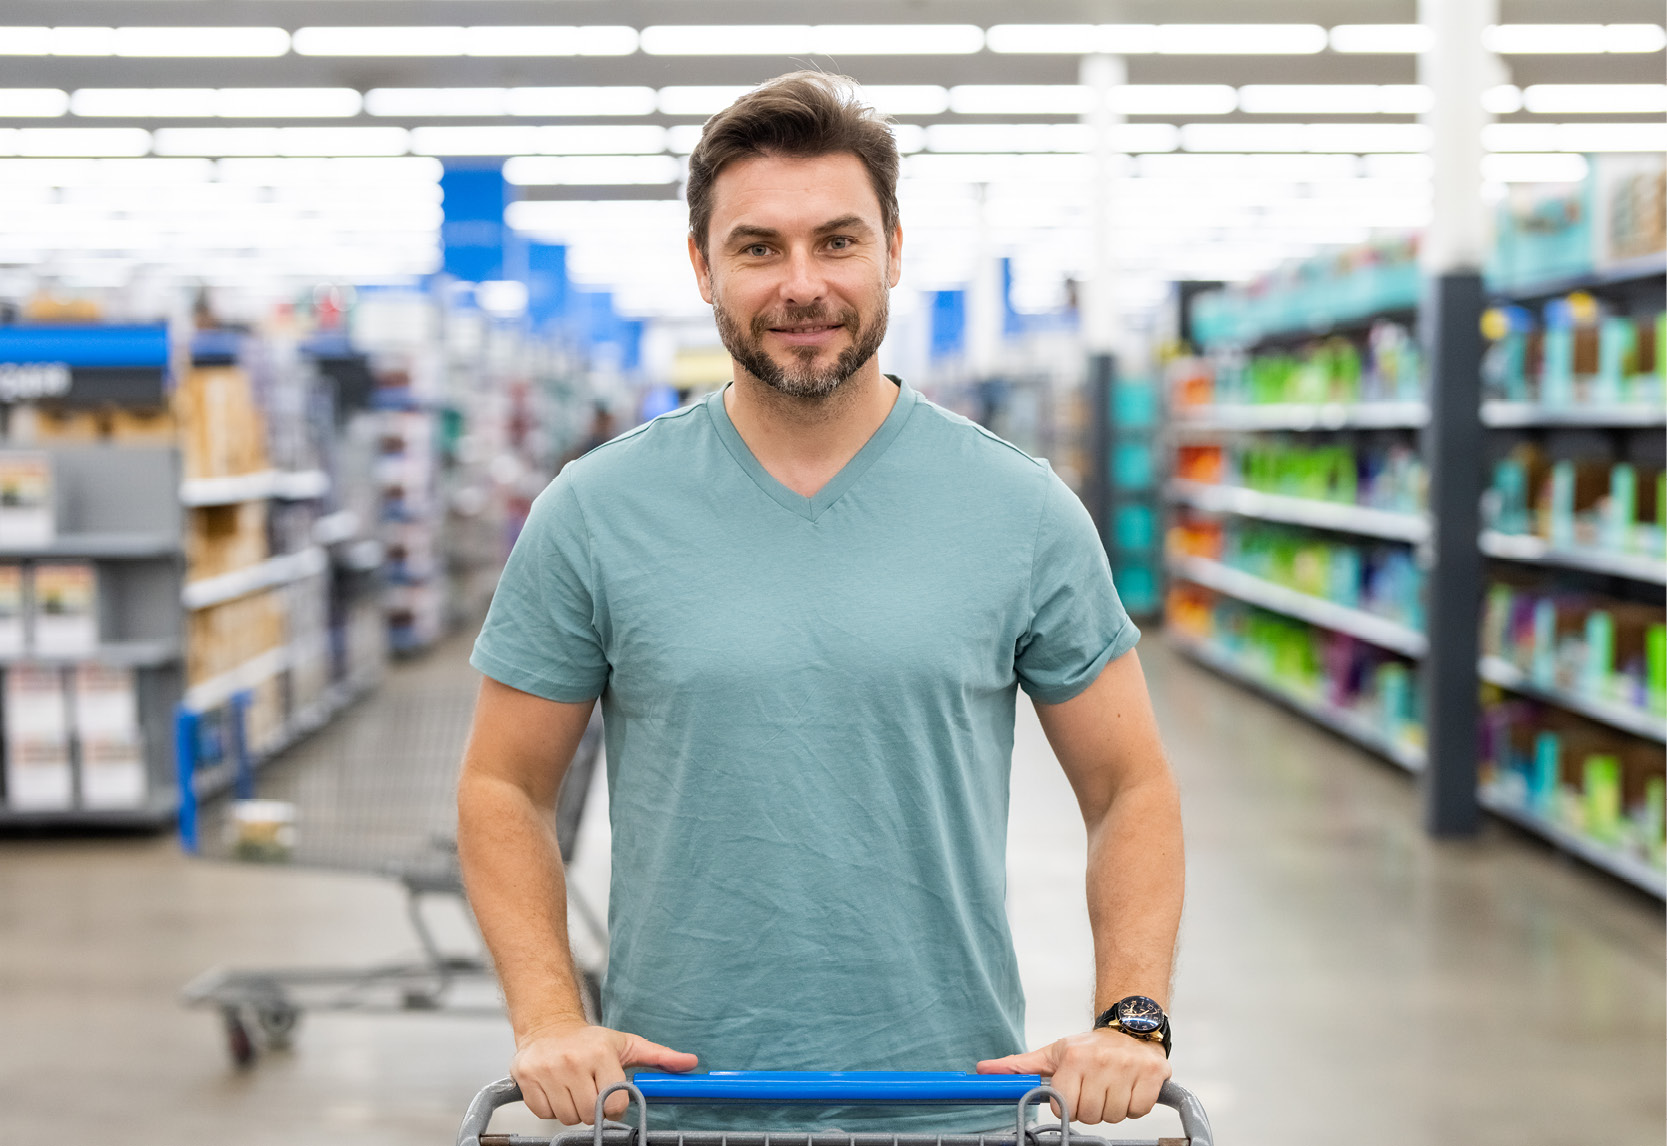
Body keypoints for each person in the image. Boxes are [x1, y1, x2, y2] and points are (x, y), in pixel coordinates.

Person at [456, 71, 1184, 1136]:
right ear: (702, 267)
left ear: (892, 248)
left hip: (952, 1100)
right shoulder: (596, 510)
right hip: (673, 1104)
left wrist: (1130, 1019)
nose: (802, 284)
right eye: (758, 248)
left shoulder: (1017, 508)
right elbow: (500, 786)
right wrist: (549, 1018)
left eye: (836, 242)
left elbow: (1130, 785)